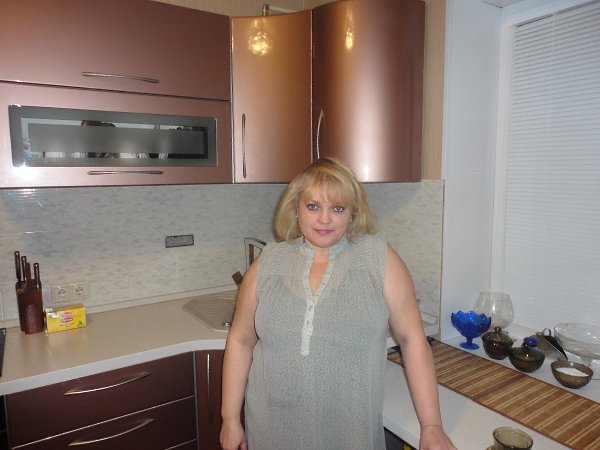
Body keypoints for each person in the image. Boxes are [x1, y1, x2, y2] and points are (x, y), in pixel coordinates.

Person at [220, 158, 457, 450]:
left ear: (352, 213)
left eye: (337, 208)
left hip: (349, 431)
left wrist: (432, 426)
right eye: (313, 206)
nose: (324, 219)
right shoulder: (268, 263)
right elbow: (241, 340)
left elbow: (413, 341)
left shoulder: (379, 259)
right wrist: (229, 418)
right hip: (272, 428)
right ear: (295, 208)